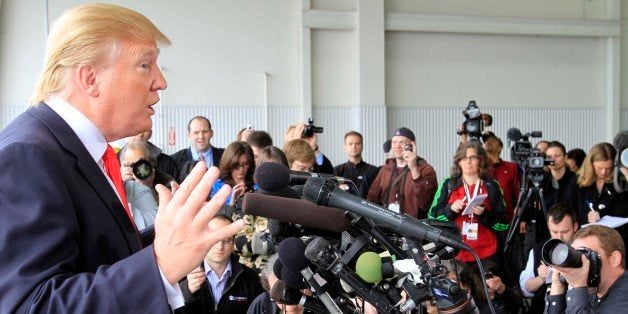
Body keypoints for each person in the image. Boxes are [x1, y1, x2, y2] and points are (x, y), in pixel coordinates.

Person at [0, 3, 245, 312]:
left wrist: (168, 236)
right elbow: (30, 305)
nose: (161, 81)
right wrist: (160, 266)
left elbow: (97, 253)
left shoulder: (80, 149)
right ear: (90, 78)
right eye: (145, 64)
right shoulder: (27, 155)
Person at [429, 140, 508, 263]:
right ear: (459, 161)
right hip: (453, 253)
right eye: (464, 158)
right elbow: (432, 216)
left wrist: (484, 215)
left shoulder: (492, 186)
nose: (468, 161)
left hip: (486, 253)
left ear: (480, 160)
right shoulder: (448, 184)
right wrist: (450, 209)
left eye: (473, 157)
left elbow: (504, 224)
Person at [178, 215, 264, 313]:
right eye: (214, 239)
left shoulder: (250, 278)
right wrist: (187, 291)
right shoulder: (183, 273)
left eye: (227, 240)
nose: (220, 246)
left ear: (233, 243)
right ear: (203, 239)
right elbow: (167, 308)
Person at [546, 225, 628, 313]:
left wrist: (578, 286)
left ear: (615, 259)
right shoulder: (590, 293)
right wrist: (557, 288)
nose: (583, 264)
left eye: (587, 255)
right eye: (577, 257)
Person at [519, 203, 578, 313]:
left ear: (575, 226)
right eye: (554, 232)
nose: (559, 237)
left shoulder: (583, 249)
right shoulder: (539, 250)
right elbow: (525, 288)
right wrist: (541, 278)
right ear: (548, 227)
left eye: (565, 232)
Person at [367, 127, 438, 219]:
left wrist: (413, 168)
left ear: (413, 145)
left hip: (412, 228)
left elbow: (425, 202)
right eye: (394, 142)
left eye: (402, 142)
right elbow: (371, 199)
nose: (397, 146)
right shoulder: (386, 168)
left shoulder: (426, 170)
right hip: (387, 227)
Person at [565, 142, 628, 226]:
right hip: (584, 234)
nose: (603, 172)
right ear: (590, 165)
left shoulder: (619, 183)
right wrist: (586, 217)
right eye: (599, 168)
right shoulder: (577, 182)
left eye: (608, 168)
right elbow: (568, 213)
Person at [481, 131, 520, 222]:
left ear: (500, 147)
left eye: (492, 140)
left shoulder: (511, 167)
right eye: (486, 141)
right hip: (484, 219)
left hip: (507, 220)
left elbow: (518, 193)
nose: (488, 142)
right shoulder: (479, 167)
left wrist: (522, 219)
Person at [172, 116, 225, 182]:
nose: (201, 136)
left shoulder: (225, 156)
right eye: (196, 132)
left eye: (205, 132)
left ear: (211, 133)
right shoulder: (175, 160)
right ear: (189, 135)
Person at [334, 131, 379, 198]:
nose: (354, 146)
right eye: (350, 144)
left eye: (357, 143)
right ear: (345, 147)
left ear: (362, 146)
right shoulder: (337, 171)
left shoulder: (373, 170)